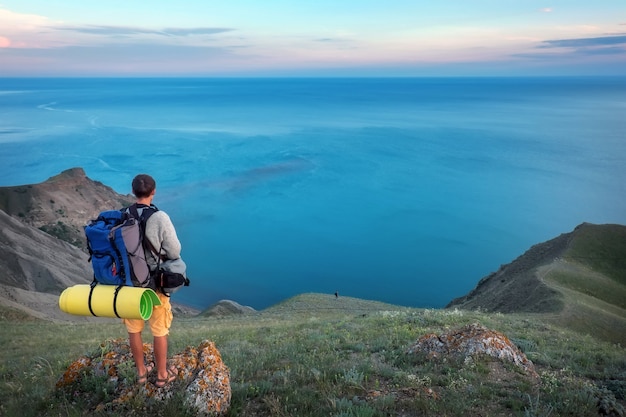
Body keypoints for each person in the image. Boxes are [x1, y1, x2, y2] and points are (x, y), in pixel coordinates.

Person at [124, 174, 181, 388]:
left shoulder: (123, 215)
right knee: (159, 329)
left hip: (130, 284)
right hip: (154, 284)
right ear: (154, 191)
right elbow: (175, 250)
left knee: (134, 329)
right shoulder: (160, 217)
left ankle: (140, 373)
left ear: (133, 192)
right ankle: (161, 374)